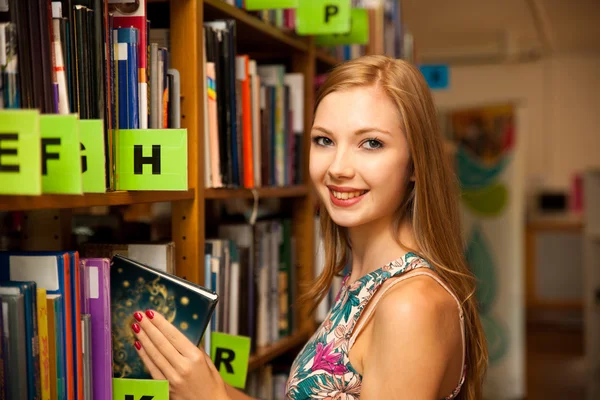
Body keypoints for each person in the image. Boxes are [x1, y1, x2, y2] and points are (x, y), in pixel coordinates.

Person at [130, 55, 489, 400]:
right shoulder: (366, 280)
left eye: (371, 143)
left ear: (416, 164)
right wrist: (207, 383)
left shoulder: (411, 304)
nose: (338, 167)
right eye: (325, 140)